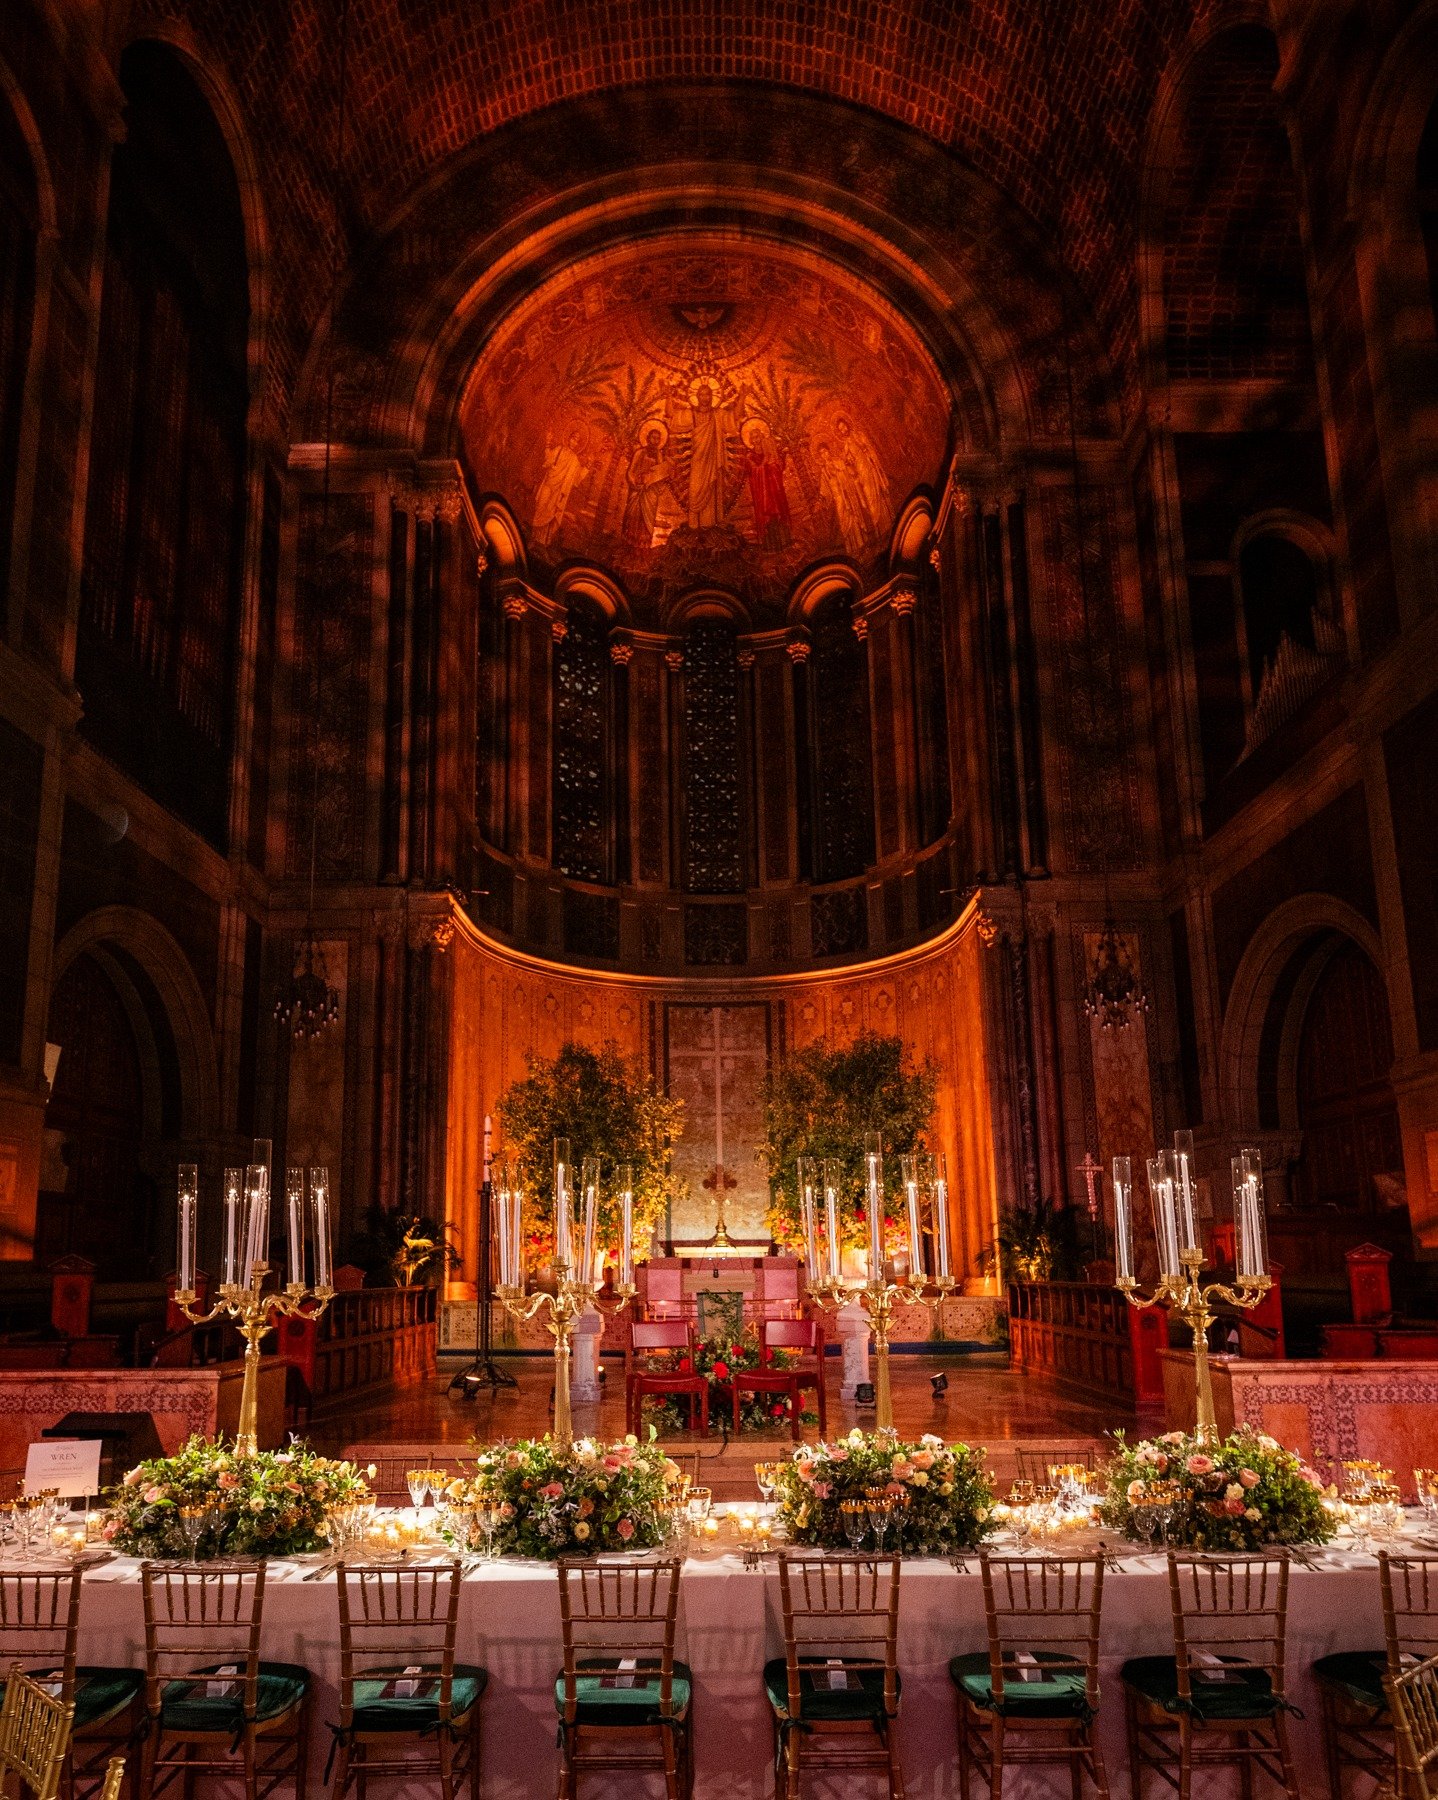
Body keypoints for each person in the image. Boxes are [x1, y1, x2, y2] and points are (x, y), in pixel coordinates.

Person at [620, 422, 675, 552]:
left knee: (647, 521)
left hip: (651, 494)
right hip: (637, 491)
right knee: (633, 517)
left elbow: (661, 475)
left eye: (658, 439)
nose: (655, 441)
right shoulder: (640, 452)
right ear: (648, 438)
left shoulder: (660, 456)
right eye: (653, 437)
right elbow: (630, 471)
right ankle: (627, 548)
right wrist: (635, 483)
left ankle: (642, 550)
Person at [531, 427, 589, 549]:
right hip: (549, 483)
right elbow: (547, 460)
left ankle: (543, 543)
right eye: (573, 438)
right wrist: (547, 443)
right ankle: (533, 538)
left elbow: (577, 479)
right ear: (569, 439)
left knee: (551, 512)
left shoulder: (574, 460)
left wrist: (588, 466)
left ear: (578, 444)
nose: (574, 442)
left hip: (559, 491)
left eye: (577, 441)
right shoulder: (558, 450)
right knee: (540, 508)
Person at [742, 420, 791, 550]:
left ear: (762, 436)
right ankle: (771, 546)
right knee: (768, 519)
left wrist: (776, 461)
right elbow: (753, 472)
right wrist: (765, 463)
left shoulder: (769, 449)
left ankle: (785, 542)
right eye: (753, 437)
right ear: (750, 441)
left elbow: (778, 467)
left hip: (774, 491)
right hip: (762, 494)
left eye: (758, 436)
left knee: (779, 514)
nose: (756, 439)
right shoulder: (750, 456)